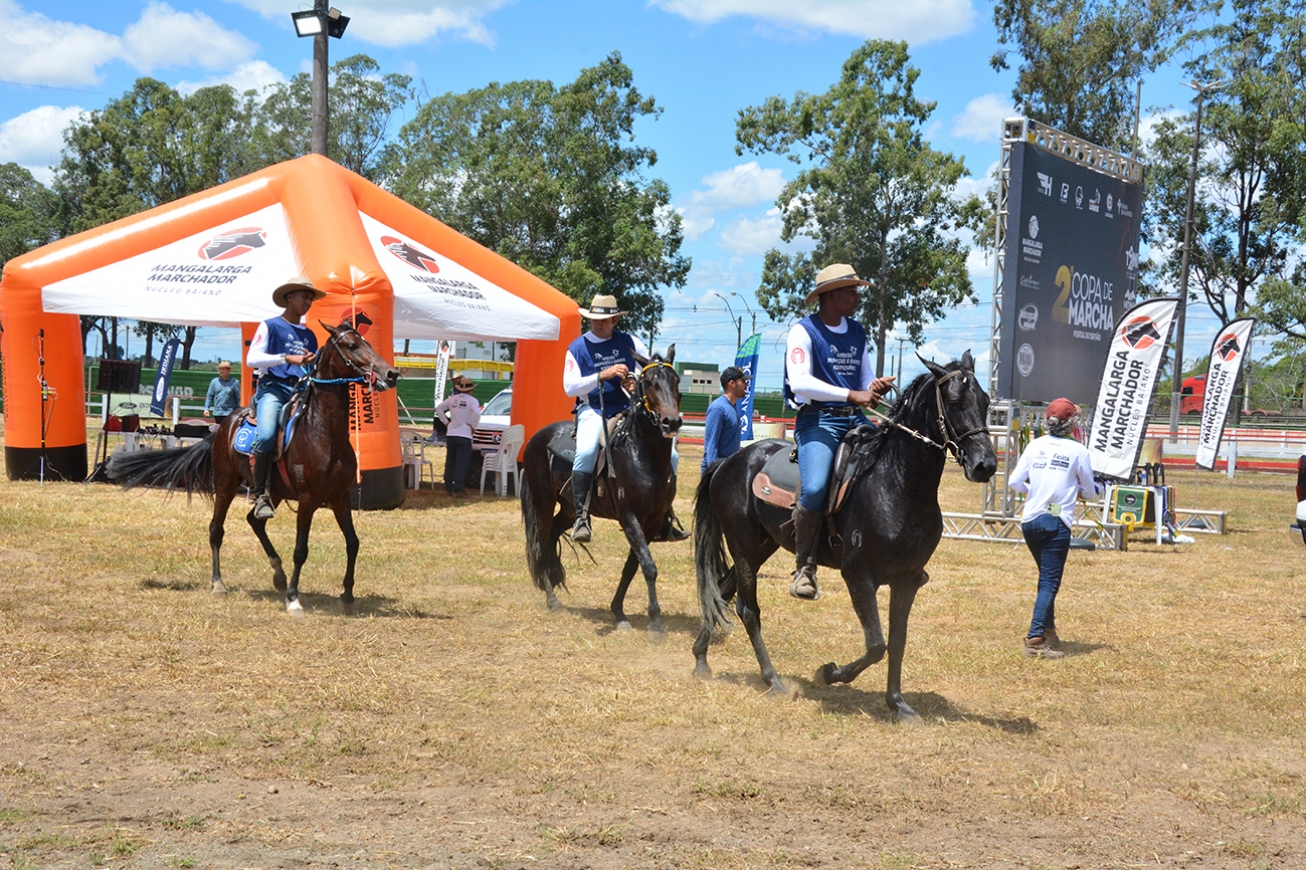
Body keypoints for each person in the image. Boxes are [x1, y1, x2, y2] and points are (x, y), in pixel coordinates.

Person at [783, 263, 895, 600]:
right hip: (818, 420)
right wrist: (851, 394)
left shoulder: (858, 331)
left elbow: (863, 381)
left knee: (890, 468)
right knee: (815, 487)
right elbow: (801, 382)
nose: (857, 296)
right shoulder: (803, 332)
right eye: (851, 290)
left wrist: (872, 387)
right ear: (830, 296)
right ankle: (804, 567)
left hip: (854, 417)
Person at [562, 293, 684, 543]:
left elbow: (651, 375)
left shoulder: (631, 342)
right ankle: (581, 517)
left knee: (671, 454)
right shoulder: (577, 347)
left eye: (605, 320)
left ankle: (664, 516)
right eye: (595, 319)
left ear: (616, 320)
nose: (599, 324)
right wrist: (603, 374)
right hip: (594, 409)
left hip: (630, 410)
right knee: (585, 452)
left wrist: (634, 382)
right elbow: (569, 387)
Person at [1007, 397, 1100, 659]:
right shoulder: (1078, 451)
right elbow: (1090, 494)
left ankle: (1049, 630)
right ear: (1071, 424)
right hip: (1055, 523)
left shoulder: (1035, 445)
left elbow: (1015, 481)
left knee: (1045, 578)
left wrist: (1033, 493)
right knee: (1049, 581)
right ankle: (1035, 638)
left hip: (1030, 521)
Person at [245, 276, 325, 519]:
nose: (308, 301)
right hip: (274, 389)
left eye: (311, 298)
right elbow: (252, 359)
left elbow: (308, 367)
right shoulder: (270, 325)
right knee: (268, 434)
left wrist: (312, 364)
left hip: (301, 391)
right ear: (289, 298)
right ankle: (261, 495)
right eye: (304, 296)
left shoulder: (310, 334)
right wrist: (286, 358)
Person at [434, 373, 481, 497]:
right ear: (471, 389)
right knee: (461, 462)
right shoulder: (472, 401)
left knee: (450, 460)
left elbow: (439, 409)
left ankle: (448, 486)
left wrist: (447, 422)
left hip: (451, 433)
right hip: (464, 433)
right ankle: (458, 488)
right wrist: (474, 426)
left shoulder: (452, 399)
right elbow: (477, 412)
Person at [702, 366, 750, 471]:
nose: (746, 385)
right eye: (743, 381)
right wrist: (714, 474)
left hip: (728, 471)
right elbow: (711, 446)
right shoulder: (718, 408)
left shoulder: (732, 407)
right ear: (732, 383)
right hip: (718, 473)